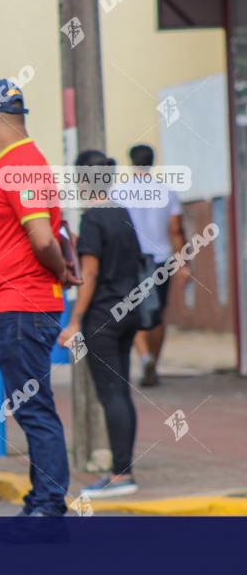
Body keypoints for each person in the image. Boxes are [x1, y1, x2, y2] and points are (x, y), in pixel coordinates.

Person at [0, 79, 79, 517]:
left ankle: (48, 509)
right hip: (15, 306)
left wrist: (59, 270)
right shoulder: (15, 163)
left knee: (34, 410)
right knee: (32, 407)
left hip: (21, 305)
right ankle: (40, 501)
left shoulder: (22, 163)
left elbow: (43, 236)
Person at [58, 150, 142, 498]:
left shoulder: (92, 217)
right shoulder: (121, 212)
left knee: (111, 394)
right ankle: (124, 469)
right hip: (128, 311)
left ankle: (121, 476)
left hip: (103, 317)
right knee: (121, 392)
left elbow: (90, 273)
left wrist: (75, 320)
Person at [125, 144, 187, 387]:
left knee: (135, 311)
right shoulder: (168, 191)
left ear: (131, 161)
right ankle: (155, 362)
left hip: (133, 259)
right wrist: (182, 264)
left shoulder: (120, 191)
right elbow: (175, 230)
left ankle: (144, 357)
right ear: (152, 162)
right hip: (161, 259)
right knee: (158, 313)